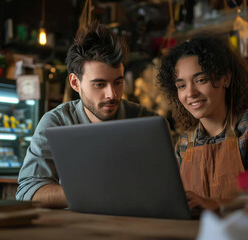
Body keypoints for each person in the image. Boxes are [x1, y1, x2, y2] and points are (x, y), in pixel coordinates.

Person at [16, 22, 155, 208]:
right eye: (99, 84)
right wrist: (98, 193)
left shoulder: (146, 120)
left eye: (118, 83)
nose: (111, 94)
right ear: (75, 83)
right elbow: (28, 192)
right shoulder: (56, 122)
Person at [156, 34, 248, 211]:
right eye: (181, 86)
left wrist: (216, 205)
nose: (191, 93)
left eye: (200, 80)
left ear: (225, 78)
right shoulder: (183, 146)